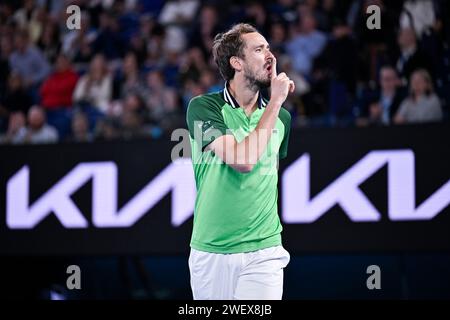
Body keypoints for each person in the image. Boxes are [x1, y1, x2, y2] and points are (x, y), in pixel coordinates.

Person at [186, 23, 295, 300]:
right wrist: (275, 103)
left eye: (269, 48)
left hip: (265, 251)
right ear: (237, 62)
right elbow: (243, 160)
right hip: (212, 251)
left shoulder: (281, 118)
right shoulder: (203, 107)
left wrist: (274, 106)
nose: (270, 55)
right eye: (259, 49)